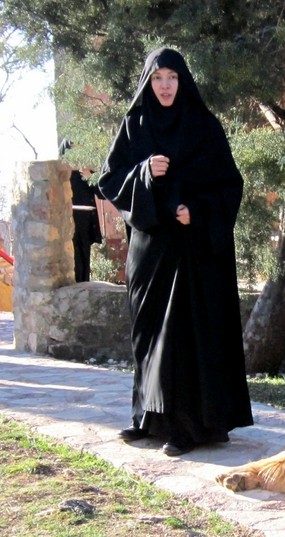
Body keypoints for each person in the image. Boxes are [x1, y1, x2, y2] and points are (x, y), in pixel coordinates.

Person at [98, 47, 253, 456]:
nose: (165, 85)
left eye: (172, 77)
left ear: (182, 81)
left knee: (183, 337)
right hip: (150, 252)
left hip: (193, 253)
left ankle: (186, 427)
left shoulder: (204, 126)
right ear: (148, 83)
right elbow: (109, 180)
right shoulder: (134, 125)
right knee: (149, 335)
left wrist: (197, 211)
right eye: (158, 78)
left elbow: (230, 186)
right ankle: (148, 418)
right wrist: (143, 171)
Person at [59, 140, 103, 282]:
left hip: (86, 223)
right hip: (70, 222)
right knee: (74, 260)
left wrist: (90, 177)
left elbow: (102, 193)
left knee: (84, 260)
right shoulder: (61, 174)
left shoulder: (86, 170)